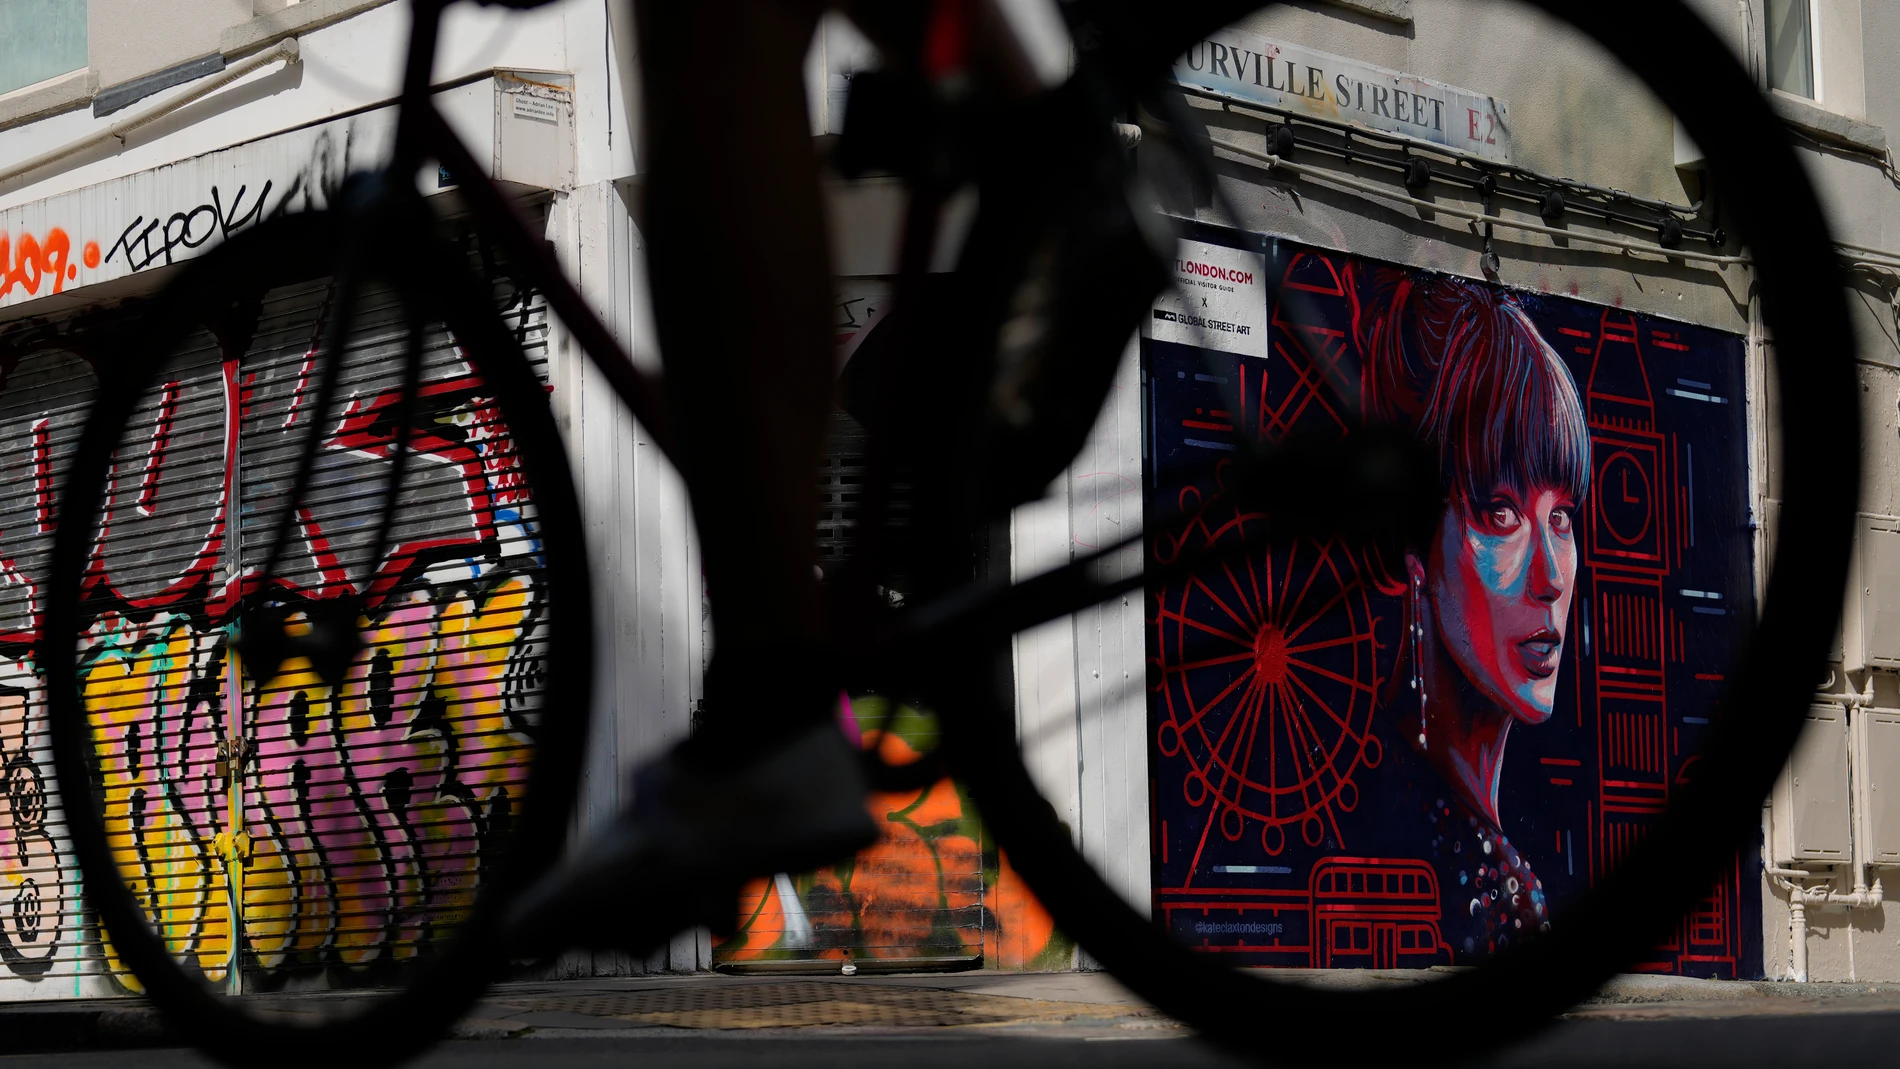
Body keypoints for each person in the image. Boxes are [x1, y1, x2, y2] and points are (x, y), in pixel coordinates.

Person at [1355, 266, 1591, 957]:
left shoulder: (1483, 848)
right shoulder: (1401, 838)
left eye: (1562, 518)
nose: (1550, 578)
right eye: (1501, 513)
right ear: (1413, 542)